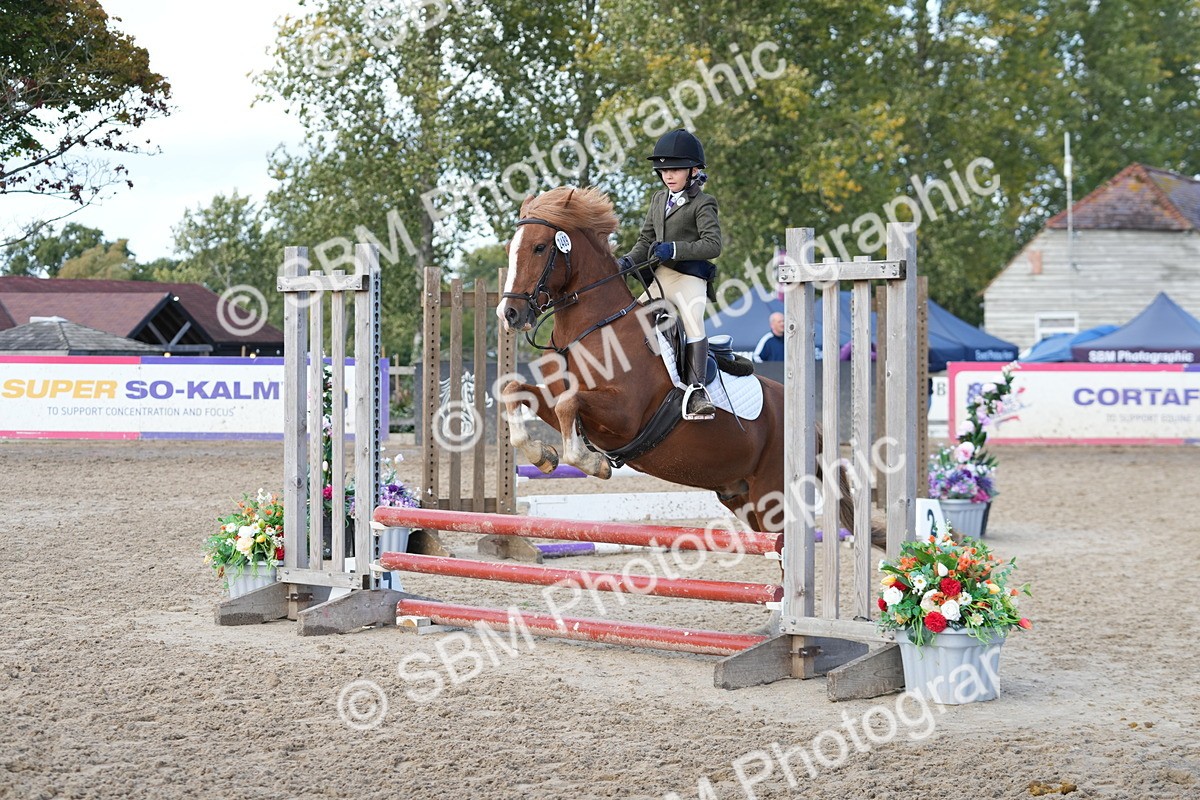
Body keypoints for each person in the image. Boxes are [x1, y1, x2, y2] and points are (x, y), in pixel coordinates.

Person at [617, 129, 722, 420]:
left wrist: (675, 249)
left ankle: (697, 391)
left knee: (692, 322)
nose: (668, 175)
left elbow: (713, 245)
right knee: (631, 320)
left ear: (693, 170)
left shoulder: (704, 203)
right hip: (662, 276)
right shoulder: (657, 200)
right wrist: (626, 262)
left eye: (674, 169)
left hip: (689, 277)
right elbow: (644, 240)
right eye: (663, 170)